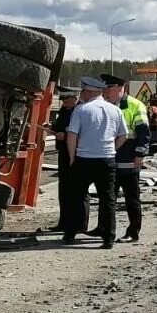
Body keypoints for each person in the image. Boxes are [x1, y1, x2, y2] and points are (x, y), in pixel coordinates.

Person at [63, 76, 128, 248]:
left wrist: (71, 157)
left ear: (89, 91)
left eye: (83, 91)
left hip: (84, 159)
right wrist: (112, 149)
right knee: (108, 199)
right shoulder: (115, 110)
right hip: (107, 160)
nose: (81, 95)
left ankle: (70, 234)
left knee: (75, 197)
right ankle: (108, 238)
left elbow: (72, 135)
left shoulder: (81, 110)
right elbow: (123, 135)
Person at [101, 74, 150, 242]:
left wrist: (139, 154)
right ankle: (105, 229)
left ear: (121, 88)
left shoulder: (135, 105)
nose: (106, 92)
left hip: (129, 158)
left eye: (109, 88)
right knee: (107, 197)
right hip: (110, 157)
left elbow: (143, 133)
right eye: (106, 88)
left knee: (131, 198)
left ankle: (133, 232)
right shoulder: (106, 105)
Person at [48, 89, 87, 234]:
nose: (64, 103)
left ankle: (80, 224)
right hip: (64, 152)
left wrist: (64, 136)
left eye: (66, 100)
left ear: (75, 98)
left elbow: (82, 133)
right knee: (64, 189)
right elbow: (59, 126)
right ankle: (64, 223)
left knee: (78, 189)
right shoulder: (64, 110)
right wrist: (52, 129)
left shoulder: (82, 110)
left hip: (77, 153)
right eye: (63, 101)